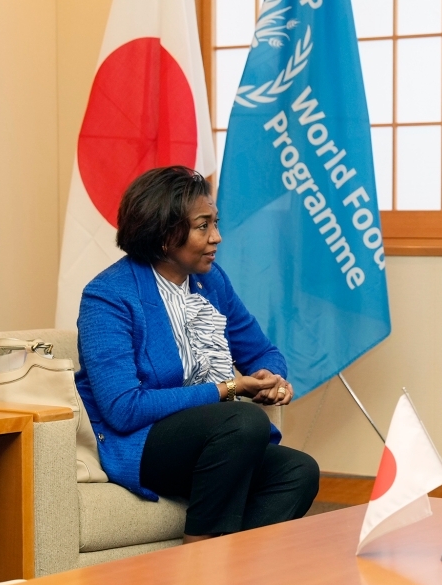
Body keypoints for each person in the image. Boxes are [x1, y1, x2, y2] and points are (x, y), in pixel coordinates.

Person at [76, 166, 319, 544]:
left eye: (215, 224)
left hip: (215, 437)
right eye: (202, 226)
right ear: (163, 233)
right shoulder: (107, 296)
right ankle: (199, 566)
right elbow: (123, 409)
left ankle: (236, 579)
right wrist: (228, 388)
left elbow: (263, 351)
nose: (217, 238)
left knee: (299, 470)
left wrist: (271, 378)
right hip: (141, 441)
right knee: (243, 419)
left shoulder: (211, 281)